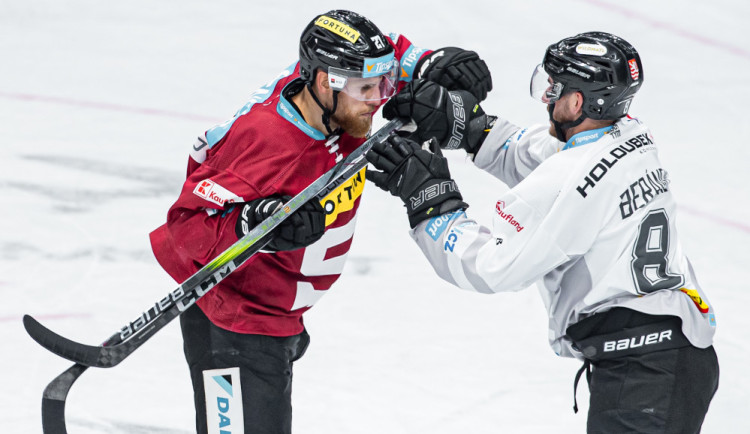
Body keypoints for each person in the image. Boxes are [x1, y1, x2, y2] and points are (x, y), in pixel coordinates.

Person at [149, 9, 492, 434]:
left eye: (382, 84)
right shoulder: (266, 142)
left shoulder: (334, 90)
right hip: (234, 326)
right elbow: (185, 225)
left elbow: (385, 54)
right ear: (322, 82)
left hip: (277, 316)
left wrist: (426, 64)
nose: (380, 97)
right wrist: (252, 223)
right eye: (368, 88)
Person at [365, 31, 719, 433]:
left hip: (644, 374)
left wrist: (429, 200)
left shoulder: (570, 179)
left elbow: (494, 267)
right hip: (663, 357)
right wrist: (472, 129)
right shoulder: (630, 134)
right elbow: (553, 160)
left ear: (577, 101)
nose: (547, 96)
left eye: (554, 88)